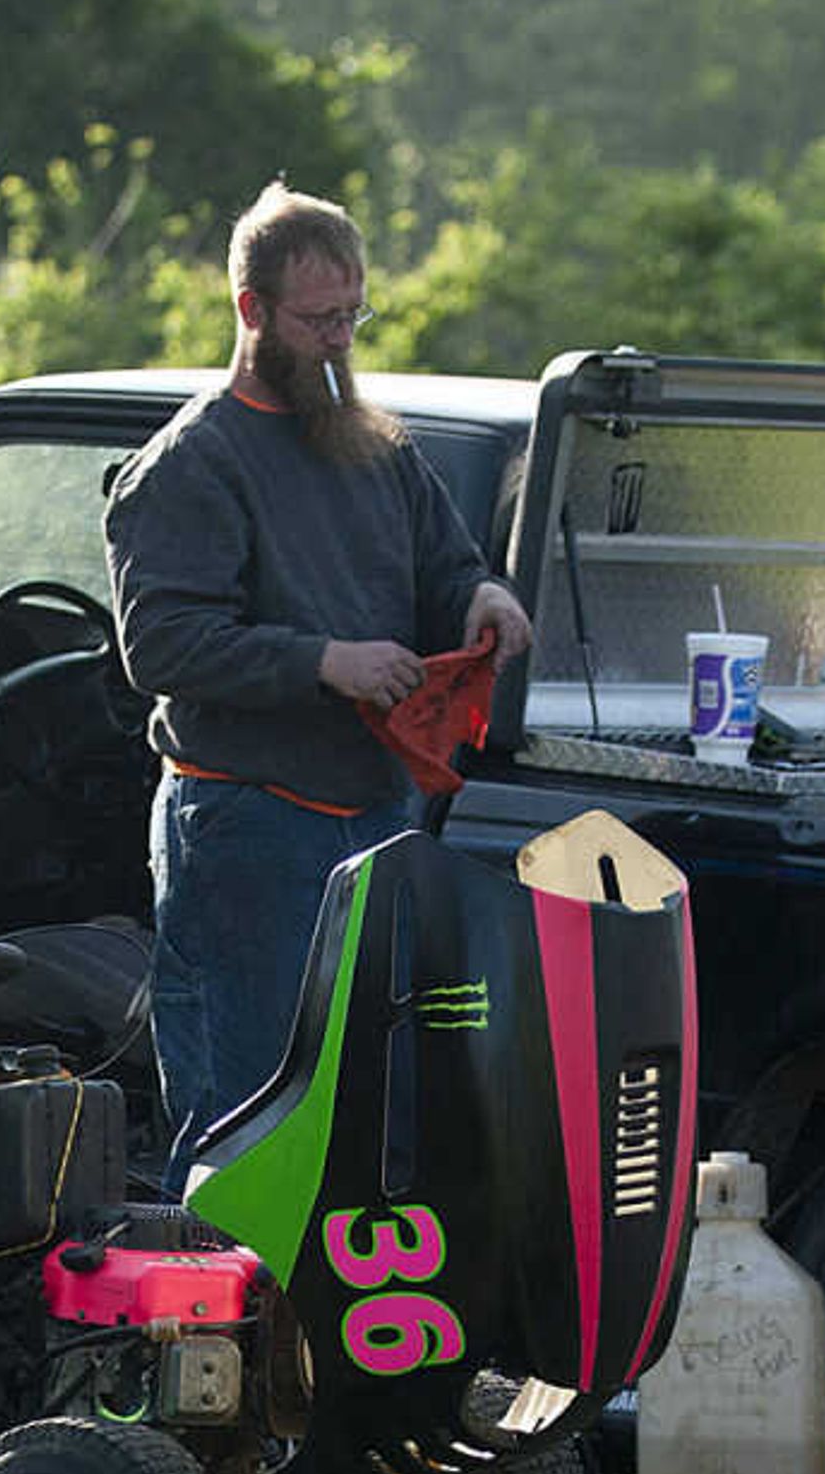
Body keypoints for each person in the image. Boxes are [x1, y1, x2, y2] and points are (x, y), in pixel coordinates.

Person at [103, 184, 532, 1182]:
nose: (340, 339)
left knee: (371, 1112)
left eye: (353, 316)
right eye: (318, 319)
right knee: (244, 1119)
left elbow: (443, 562)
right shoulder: (190, 463)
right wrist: (324, 662)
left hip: (375, 821)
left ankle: (332, 1333)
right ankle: (212, 1331)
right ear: (251, 311)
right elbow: (160, 644)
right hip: (248, 833)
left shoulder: (372, 443)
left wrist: (482, 596)